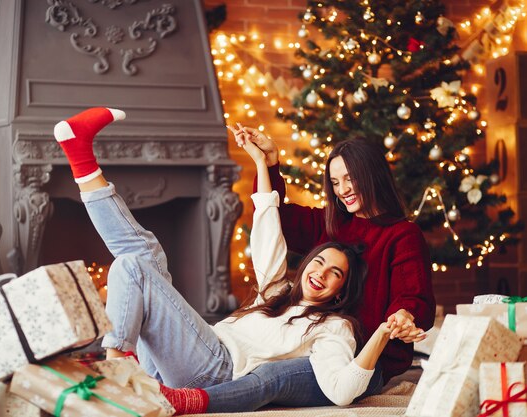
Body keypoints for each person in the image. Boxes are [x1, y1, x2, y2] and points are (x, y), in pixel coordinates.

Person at [53, 108, 417, 414]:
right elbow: (270, 222)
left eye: (335, 272)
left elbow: (344, 384)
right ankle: (82, 161)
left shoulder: (333, 326)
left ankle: (115, 367)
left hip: (215, 368)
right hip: (190, 357)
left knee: (131, 267)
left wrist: (393, 324)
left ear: (342, 290)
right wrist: (262, 162)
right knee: (146, 255)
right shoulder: (280, 289)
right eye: (336, 182)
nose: (343, 189)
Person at [205, 125, 436, 411]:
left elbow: (413, 294)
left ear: (372, 175)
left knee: (269, 377)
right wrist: (270, 164)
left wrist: (403, 316)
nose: (343, 190)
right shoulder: (331, 223)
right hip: (312, 342)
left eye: (350, 179)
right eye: (336, 182)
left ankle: (187, 401)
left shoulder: (402, 234)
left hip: (363, 360)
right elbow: (272, 216)